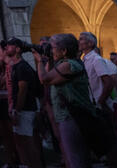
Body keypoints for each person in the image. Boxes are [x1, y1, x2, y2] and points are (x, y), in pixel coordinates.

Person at [36, 33, 94, 168]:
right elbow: (49, 78)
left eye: (53, 47)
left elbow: (44, 79)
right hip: (70, 116)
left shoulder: (68, 65)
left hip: (72, 117)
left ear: (64, 51)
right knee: (78, 156)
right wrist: (49, 59)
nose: (51, 50)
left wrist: (39, 60)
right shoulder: (66, 63)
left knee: (76, 158)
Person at [79, 31, 117, 168]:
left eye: (82, 39)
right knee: (105, 139)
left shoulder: (96, 59)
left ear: (90, 43)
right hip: (95, 105)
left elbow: (108, 82)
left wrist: (100, 102)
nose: (79, 41)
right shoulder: (86, 59)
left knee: (111, 138)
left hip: (102, 105)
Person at [4, 38, 43, 168]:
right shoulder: (15, 66)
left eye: (10, 46)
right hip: (21, 109)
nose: (7, 48)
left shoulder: (22, 67)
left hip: (26, 109)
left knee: (28, 141)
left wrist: (17, 110)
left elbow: (22, 90)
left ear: (18, 49)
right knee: (21, 141)